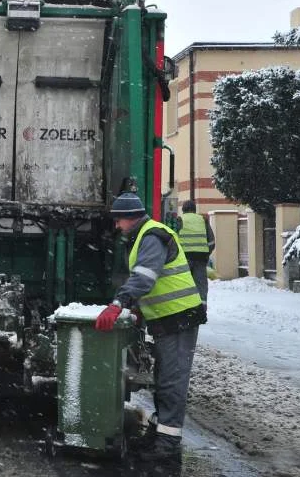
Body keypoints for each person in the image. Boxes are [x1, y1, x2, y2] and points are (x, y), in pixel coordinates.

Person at [94, 192, 206, 462]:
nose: (117, 226)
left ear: (129, 218)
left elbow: (145, 277)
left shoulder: (151, 237)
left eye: (118, 221)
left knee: (172, 382)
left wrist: (119, 303)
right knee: (164, 380)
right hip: (168, 319)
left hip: (179, 317)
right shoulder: (145, 235)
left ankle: (168, 444)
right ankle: (159, 432)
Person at [174, 200, 215, 306]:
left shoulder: (179, 220)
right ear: (194, 209)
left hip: (184, 257)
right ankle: (202, 307)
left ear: (183, 210)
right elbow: (211, 242)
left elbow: (173, 239)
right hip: (201, 257)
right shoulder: (203, 220)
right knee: (200, 283)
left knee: (184, 282)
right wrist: (206, 253)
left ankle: (185, 307)